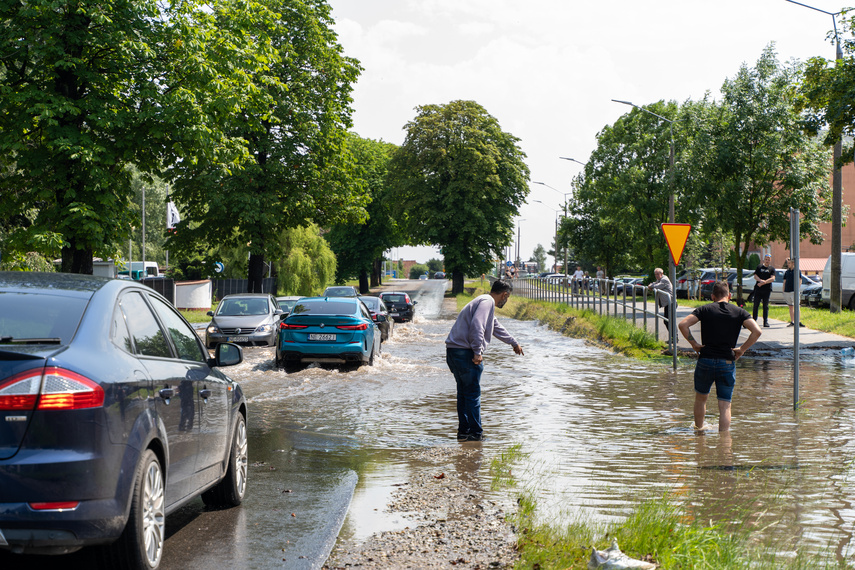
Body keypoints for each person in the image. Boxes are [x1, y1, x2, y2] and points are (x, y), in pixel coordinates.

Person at [678, 281, 762, 432]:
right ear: (729, 295)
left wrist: (695, 344)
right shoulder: (739, 312)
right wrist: (742, 349)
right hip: (727, 361)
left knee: (701, 399)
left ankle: (699, 434)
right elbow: (757, 331)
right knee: (725, 405)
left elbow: (683, 324)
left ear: (712, 296)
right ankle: (724, 443)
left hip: (705, 360)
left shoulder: (705, 309)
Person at [445, 280, 524, 441]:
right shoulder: (487, 302)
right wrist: (477, 351)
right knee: (473, 394)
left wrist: (513, 342)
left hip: (453, 351)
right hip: (465, 353)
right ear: (505, 294)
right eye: (507, 298)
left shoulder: (482, 301)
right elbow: (477, 325)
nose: (506, 301)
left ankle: (464, 432)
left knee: (464, 394)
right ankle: (476, 434)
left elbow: (495, 326)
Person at [647, 267, 673, 332]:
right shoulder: (660, 279)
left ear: (662, 273)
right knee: (667, 321)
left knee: (668, 321)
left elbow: (658, 286)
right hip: (667, 303)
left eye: (657, 274)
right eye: (655, 274)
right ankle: (673, 337)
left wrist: (651, 286)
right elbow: (655, 284)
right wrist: (652, 285)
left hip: (671, 302)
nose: (656, 276)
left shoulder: (664, 279)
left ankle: (674, 337)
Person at [753, 254, 775, 327]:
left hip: (767, 290)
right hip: (758, 289)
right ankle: (754, 321)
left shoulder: (771, 269)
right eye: (766, 259)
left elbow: (772, 278)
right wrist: (760, 280)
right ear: (764, 259)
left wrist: (764, 282)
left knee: (765, 306)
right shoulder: (759, 267)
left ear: (770, 260)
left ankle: (765, 322)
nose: (767, 261)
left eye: (769, 259)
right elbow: (755, 276)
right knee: (756, 305)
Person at [783, 258, 805, 327]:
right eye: (787, 263)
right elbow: (784, 281)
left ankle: (798, 321)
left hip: (794, 291)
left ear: (793, 263)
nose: (788, 264)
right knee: (790, 306)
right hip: (787, 291)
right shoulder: (787, 272)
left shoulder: (797, 271)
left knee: (797, 306)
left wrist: (797, 288)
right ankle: (792, 321)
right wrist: (783, 290)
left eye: (789, 263)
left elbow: (800, 280)